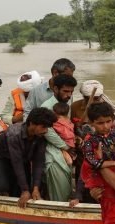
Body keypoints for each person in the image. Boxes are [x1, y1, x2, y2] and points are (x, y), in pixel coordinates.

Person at [0, 108, 58, 208]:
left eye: (47, 128)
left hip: (23, 158)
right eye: (43, 127)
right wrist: (25, 190)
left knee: (25, 188)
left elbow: (39, 162)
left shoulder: (41, 135)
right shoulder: (14, 133)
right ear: (32, 123)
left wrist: (35, 188)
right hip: (1, 156)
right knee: (3, 186)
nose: (46, 131)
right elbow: (17, 162)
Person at [40, 74, 77, 202]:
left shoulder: (64, 104)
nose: (69, 95)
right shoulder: (47, 106)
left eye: (71, 92)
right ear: (55, 89)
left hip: (65, 150)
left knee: (66, 185)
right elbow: (47, 131)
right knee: (59, 188)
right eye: (65, 91)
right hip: (51, 151)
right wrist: (65, 147)